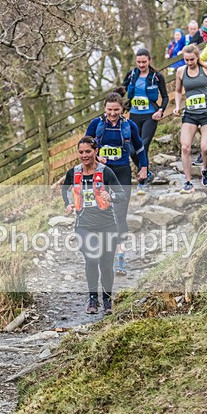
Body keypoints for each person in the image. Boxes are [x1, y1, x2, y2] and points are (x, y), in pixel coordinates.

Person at [61, 136, 126, 314]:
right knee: (91, 258)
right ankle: (92, 299)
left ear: (96, 151)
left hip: (107, 224)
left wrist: (111, 197)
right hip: (84, 225)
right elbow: (64, 189)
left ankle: (107, 300)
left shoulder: (106, 172)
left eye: (88, 151)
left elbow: (121, 194)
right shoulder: (73, 173)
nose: (84, 155)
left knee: (106, 265)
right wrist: (68, 204)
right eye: (81, 152)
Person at [85, 92, 147, 276]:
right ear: (104, 109)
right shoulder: (96, 124)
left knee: (119, 215)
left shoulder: (129, 125)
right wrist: (97, 157)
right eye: (109, 110)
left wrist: (144, 167)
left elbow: (139, 147)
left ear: (122, 109)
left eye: (116, 110)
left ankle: (120, 256)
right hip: (101, 174)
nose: (112, 113)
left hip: (122, 173)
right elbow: (85, 148)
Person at [173, 44, 207, 194]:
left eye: (192, 59)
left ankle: (205, 169)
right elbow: (178, 91)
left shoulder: (206, 68)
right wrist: (177, 106)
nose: (189, 62)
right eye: (186, 60)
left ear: (197, 57)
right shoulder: (180, 71)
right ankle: (188, 182)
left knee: (205, 148)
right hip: (190, 114)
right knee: (185, 147)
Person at [122, 48, 168, 194]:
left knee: (143, 146)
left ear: (149, 61)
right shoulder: (131, 75)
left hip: (150, 116)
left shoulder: (157, 77)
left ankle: (143, 181)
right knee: (131, 149)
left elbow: (165, 96)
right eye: (139, 62)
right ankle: (147, 173)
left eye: (144, 62)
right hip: (134, 115)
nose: (141, 65)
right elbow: (122, 91)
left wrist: (160, 110)